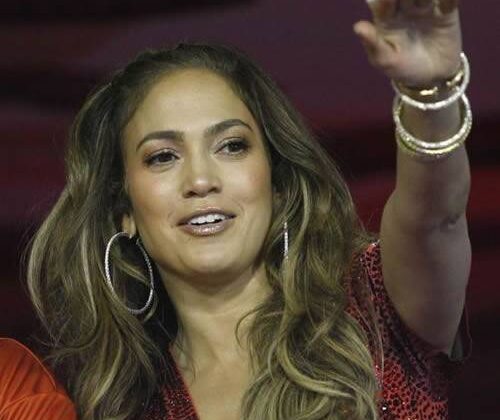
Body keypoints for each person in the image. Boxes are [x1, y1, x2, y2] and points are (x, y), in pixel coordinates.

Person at [23, 0, 471, 418]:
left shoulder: (372, 308)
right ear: (125, 210)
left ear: (276, 182)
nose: (201, 180)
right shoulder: (125, 407)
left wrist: (428, 93)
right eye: (162, 157)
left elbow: (435, 220)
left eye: (231, 146)